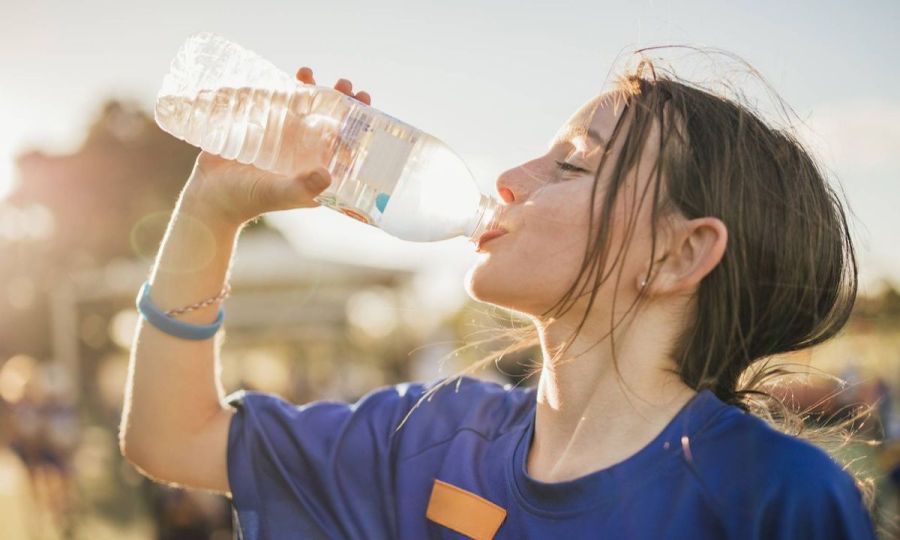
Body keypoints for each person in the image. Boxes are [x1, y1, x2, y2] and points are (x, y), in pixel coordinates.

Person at [119, 55, 879, 539]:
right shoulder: (430, 437)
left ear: (678, 254)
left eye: (572, 165)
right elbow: (171, 439)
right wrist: (212, 210)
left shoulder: (774, 500)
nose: (511, 176)